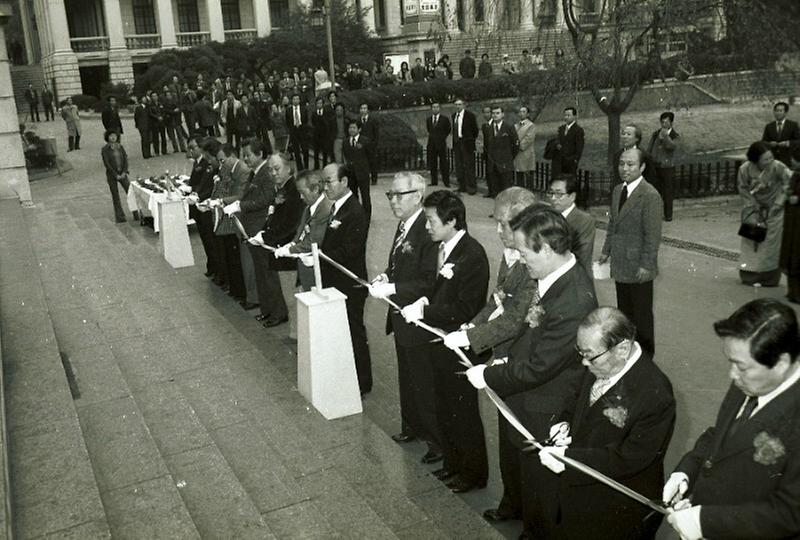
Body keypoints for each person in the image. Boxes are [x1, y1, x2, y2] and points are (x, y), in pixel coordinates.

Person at [463, 205, 597, 536]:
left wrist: (488, 375)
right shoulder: (553, 277)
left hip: (546, 403)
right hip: (527, 391)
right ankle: (522, 517)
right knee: (525, 474)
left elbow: (541, 367)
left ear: (548, 249)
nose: (521, 259)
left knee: (542, 488)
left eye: (525, 252)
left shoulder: (573, 298)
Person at [663, 298, 800, 540]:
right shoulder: (749, 379)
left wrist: (704, 522)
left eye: (741, 366)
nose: (732, 375)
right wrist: (687, 471)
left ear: (781, 363)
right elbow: (722, 436)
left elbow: (790, 513)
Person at [535, 307, 675, 540]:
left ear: (622, 349)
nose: (583, 362)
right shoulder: (601, 361)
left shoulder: (655, 393)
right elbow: (576, 397)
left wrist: (570, 461)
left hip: (615, 508)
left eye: (589, 354)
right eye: (580, 351)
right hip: (580, 493)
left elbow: (629, 458)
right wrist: (564, 422)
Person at [443, 187, 539, 522]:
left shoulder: (534, 262)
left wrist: (471, 337)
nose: (498, 232)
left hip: (523, 365)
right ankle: (512, 503)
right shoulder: (510, 253)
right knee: (507, 439)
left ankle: (530, 515)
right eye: (496, 223)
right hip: (503, 360)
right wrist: (470, 325)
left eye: (505, 224)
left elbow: (514, 319)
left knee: (523, 443)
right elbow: (497, 301)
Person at [402, 190, 489, 494]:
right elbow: (442, 290)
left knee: (462, 412)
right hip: (440, 343)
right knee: (445, 408)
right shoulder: (446, 248)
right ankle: (453, 465)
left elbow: (466, 308)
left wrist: (426, 309)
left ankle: (473, 473)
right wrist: (427, 300)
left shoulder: (471, 254)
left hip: (459, 345)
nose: (427, 226)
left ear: (452, 220)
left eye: (431, 220)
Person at [368, 172, 443, 464]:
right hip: (401, 315)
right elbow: (399, 263)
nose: (393, 201)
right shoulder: (404, 224)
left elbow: (428, 281)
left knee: (423, 381)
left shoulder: (427, 230)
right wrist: (387, 275)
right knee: (407, 376)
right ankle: (411, 426)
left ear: (417, 196)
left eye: (399, 195)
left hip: (418, 318)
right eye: (391, 195)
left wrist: (393, 287)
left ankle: (435, 441)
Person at [599, 148, 662, 356]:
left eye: (630, 164)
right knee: (625, 312)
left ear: (642, 167)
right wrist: (606, 251)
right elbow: (613, 223)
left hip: (638, 266)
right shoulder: (618, 190)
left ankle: (645, 356)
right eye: (621, 163)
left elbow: (653, 235)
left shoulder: (650, 195)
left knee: (641, 315)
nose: (624, 168)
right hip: (620, 262)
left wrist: (647, 264)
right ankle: (627, 351)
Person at [319, 163, 372, 396]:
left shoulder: (354, 211)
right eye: (323, 182)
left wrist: (318, 256)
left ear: (344, 182)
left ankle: (362, 382)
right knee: (344, 331)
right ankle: (348, 375)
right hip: (336, 278)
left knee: (354, 331)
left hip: (349, 281)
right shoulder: (338, 207)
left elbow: (350, 249)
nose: (325, 187)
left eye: (329, 181)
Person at [247, 153, 304, 332]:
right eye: (270, 169)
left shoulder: (293, 190)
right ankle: (277, 315)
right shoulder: (281, 188)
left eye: (277, 168)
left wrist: (267, 237)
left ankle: (292, 328)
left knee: (289, 293)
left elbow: (291, 223)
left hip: (285, 247)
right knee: (275, 284)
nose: (273, 173)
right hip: (276, 244)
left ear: (288, 168)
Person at [225, 139, 273, 319]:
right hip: (249, 224)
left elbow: (264, 199)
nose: (245, 159)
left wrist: (240, 205)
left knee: (257, 267)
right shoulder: (255, 173)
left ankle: (259, 300)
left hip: (257, 225)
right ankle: (256, 298)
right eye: (243, 155)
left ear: (260, 154)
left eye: (248, 155)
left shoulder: (266, 173)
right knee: (251, 266)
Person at [737, 141, 791, 288]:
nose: (769, 161)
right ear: (756, 161)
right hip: (754, 211)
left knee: (771, 246)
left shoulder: (778, 167)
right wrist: (752, 203)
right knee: (752, 244)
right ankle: (749, 276)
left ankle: (769, 279)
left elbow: (789, 183)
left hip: (774, 210)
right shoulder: (745, 169)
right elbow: (742, 188)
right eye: (765, 159)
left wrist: (780, 201)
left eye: (770, 157)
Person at [274, 170, 333, 291]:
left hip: (317, 269)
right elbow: (300, 232)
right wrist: (292, 243)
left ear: (315, 189)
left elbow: (313, 242)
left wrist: (289, 251)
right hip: (305, 265)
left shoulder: (324, 209)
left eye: (303, 193)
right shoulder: (308, 208)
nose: (301, 197)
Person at [209, 142, 250, 303]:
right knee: (229, 256)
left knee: (236, 259)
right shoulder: (227, 169)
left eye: (222, 160)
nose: (220, 165)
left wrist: (221, 200)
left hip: (237, 219)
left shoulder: (242, 171)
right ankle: (235, 289)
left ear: (232, 156)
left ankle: (241, 291)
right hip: (227, 219)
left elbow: (240, 195)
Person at [548, 176, 596, 274]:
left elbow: (581, 256)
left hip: (574, 279)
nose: (553, 198)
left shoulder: (584, 220)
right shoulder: (547, 216)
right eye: (551, 193)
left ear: (572, 196)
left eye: (559, 194)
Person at [647, 112, 680, 221]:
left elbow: (672, 147)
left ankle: (668, 215)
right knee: (654, 191)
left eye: (666, 121)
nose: (663, 124)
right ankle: (654, 214)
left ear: (671, 122)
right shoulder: (656, 134)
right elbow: (650, 148)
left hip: (667, 167)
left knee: (667, 192)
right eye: (662, 121)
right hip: (656, 166)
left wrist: (665, 137)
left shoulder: (675, 136)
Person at [485, 105, 519, 198]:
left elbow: (516, 144)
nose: (495, 115)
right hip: (493, 164)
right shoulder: (489, 128)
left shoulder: (508, 127)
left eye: (497, 113)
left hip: (505, 163)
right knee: (496, 193)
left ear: (502, 114)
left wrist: (508, 157)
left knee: (506, 191)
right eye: (493, 113)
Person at [781, 147, 800, 304]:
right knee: (790, 254)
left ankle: (797, 293)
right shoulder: (795, 174)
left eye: (794, 158)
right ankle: (792, 291)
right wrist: (788, 192)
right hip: (792, 221)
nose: (792, 161)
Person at [343, 121, 372, 220]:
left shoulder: (365, 141)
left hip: (362, 173)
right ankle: (356, 215)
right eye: (350, 128)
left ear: (359, 129)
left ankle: (367, 216)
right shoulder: (345, 142)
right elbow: (346, 156)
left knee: (365, 196)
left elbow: (370, 157)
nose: (351, 130)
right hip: (351, 173)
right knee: (353, 196)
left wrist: (370, 171)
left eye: (354, 128)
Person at [100, 130, 130, 223]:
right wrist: (115, 175)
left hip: (123, 173)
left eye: (114, 136)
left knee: (130, 192)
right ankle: (120, 217)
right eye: (111, 136)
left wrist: (124, 171)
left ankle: (137, 213)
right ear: (107, 138)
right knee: (115, 195)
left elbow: (125, 159)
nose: (113, 138)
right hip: (112, 175)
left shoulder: (120, 147)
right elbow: (107, 163)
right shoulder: (105, 149)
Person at [451, 99, 479, 195]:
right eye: (456, 105)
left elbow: (475, 130)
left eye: (459, 104)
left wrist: (469, 139)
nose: (458, 106)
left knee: (469, 166)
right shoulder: (454, 116)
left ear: (463, 105)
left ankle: (471, 187)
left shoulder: (470, 116)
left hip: (466, 143)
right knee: (459, 166)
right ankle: (462, 186)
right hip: (457, 143)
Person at [762, 101, 800, 166]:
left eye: (780, 111)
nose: (778, 113)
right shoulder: (769, 126)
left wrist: (788, 143)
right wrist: (770, 144)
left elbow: (798, 141)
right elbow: (763, 142)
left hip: (789, 161)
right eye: (776, 111)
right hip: (772, 161)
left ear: (785, 113)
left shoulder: (793, 125)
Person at [426, 102, 451, 187]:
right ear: (431, 109)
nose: (435, 109)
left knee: (443, 163)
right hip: (432, 144)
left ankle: (446, 182)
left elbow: (448, 129)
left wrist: (442, 137)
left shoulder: (444, 119)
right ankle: (434, 181)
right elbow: (429, 130)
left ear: (439, 108)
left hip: (441, 144)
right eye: (433, 107)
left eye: (437, 107)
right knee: (433, 163)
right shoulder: (429, 119)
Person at [554, 107, 584, 175]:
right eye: (565, 115)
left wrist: (575, 160)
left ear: (574, 116)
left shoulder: (578, 130)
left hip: (570, 162)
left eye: (568, 115)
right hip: (560, 161)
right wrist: (557, 144)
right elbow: (558, 140)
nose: (566, 117)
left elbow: (579, 147)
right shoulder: (561, 129)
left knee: (569, 181)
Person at [513, 105, 536, 182]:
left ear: (528, 114)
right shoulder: (516, 126)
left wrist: (517, 145)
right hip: (518, 154)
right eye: (520, 112)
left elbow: (528, 139)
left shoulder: (531, 125)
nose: (521, 113)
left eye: (524, 112)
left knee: (528, 175)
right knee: (519, 176)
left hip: (527, 154)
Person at [285, 93, 309, 170]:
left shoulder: (304, 109)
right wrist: (291, 129)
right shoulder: (288, 110)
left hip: (302, 130)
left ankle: (306, 166)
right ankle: (300, 168)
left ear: (299, 100)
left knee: (305, 150)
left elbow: (306, 120)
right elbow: (287, 122)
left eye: (297, 99)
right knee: (296, 151)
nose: (296, 100)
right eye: (294, 99)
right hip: (294, 131)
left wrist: (304, 128)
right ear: (292, 100)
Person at [358, 104, 379, 186]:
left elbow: (376, 134)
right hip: (362, 145)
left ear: (367, 110)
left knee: (372, 162)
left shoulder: (373, 120)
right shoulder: (358, 121)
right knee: (363, 163)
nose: (363, 110)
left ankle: (374, 179)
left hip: (371, 145)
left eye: (365, 108)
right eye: (361, 108)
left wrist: (374, 144)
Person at [311, 97, 330, 169]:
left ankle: (325, 166)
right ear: (316, 104)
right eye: (318, 103)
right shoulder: (314, 113)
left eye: (320, 103)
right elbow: (313, 123)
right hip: (316, 136)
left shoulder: (326, 113)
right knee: (316, 152)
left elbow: (327, 124)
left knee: (325, 152)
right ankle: (316, 166)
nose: (319, 105)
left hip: (324, 135)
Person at [147, 91, 167, 156]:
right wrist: (157, 117)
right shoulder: (150, 105)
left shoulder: (160, 104)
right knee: (156, 138)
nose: (155, 97)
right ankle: (157, 151)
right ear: (151, 97)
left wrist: (162, 117)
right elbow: (150, 113)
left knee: (163, 137)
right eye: (153, 96)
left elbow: (164, 111)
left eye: (155, 96)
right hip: (155, 123)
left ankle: (164, 151)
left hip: (162, 122)